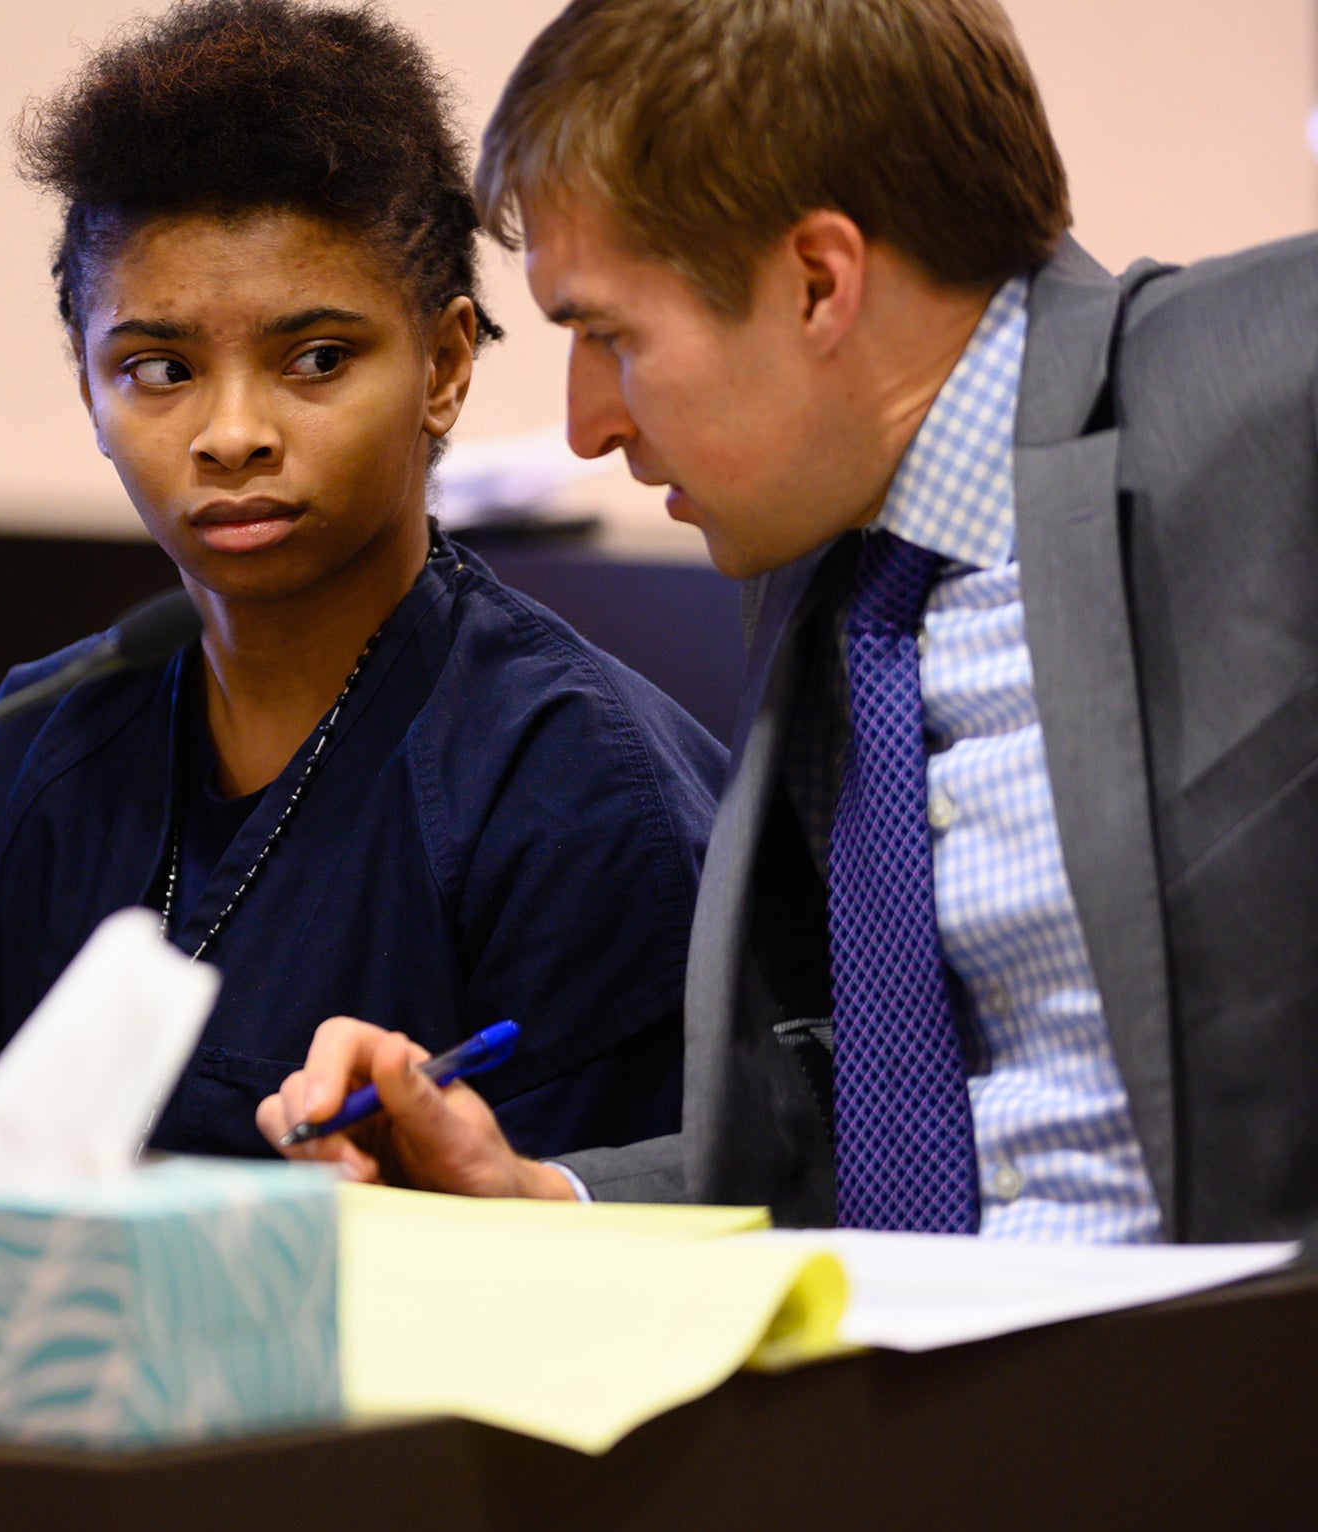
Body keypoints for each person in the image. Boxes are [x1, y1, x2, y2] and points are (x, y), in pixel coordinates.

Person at [260, 0, 1318, 1244]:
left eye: (608, 334)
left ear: (818, 283)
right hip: (902, 1406)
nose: (587, 421)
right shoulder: (823, 553)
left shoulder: (1269, 385)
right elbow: (870, 1135)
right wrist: (538, 1195)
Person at [0, 0, 726, 1159]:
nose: (231, 434)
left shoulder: (581, 793)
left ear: (441, 367)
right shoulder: (25, 757)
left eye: (315, 360)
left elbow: (619, 1247)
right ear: (88, 387)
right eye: (158, 368)